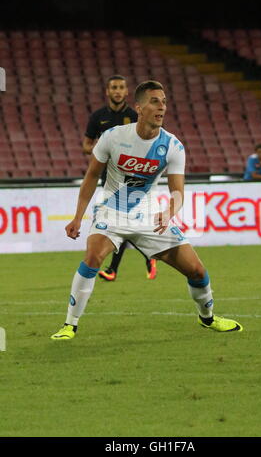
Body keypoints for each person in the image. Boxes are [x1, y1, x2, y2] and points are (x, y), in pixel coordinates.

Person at [51, 80, 243, 340]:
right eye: (155, 101)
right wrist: (77, 217)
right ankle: (69, 325)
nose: (161, 107)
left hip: (150, 215)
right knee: (93, 258)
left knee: (197, 271)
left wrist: (169, 211)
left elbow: (177, 191)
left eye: (164, 101)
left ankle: (207, 319)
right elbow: (91, 177)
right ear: (139, 108)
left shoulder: (173, 146)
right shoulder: (113, 137)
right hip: (112, 210)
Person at [83, 74, 157, 281]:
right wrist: (103, 149)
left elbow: (147, 143)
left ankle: (114, 269)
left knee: (119, 222)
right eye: (113, 87)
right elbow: (86, 145)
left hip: (131, 177)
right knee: (123, 224)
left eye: (121, 87)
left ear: (126, 92)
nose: (117, 91)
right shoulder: (98, 117)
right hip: (108, 178)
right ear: (108, 91)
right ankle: (146, 256)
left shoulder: (135, 116)